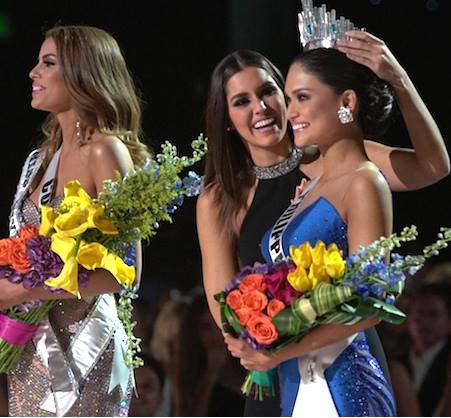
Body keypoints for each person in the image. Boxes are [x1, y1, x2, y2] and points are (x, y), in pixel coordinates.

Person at [197, 31, 449, 417]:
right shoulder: (223, 197)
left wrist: (398, 80)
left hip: (343, 354)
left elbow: (433, 166)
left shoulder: (336, 161)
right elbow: (223, 306)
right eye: (241, 101)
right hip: (272, 365)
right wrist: (256, 335)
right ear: (227, 119)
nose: (261, 107)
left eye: (269, 91)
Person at [0, 25, 150, 416]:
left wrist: (22, 291)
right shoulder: (38, 161)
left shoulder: (105, 151)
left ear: (85, 75)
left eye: (48, 63)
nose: (33, 73)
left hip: (85, 349)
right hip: (30, 350)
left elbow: (125, 271)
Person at [149, 287, 246, 416]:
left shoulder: (248, 362)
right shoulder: (187, 372)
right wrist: (211, 374)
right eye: (206, 327)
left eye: (219, 325)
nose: (215, 334)